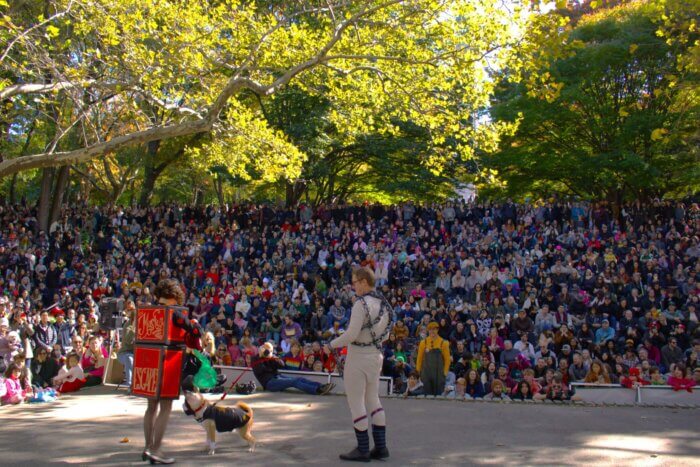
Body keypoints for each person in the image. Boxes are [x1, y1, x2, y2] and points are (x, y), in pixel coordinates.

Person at [329, 267, 392, 462]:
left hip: (358, 358)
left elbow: (351, 334)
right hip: (375, 356)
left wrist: (330, 344)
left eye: (355, 282)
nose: (353, 285)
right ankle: (381, 448)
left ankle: (363, 449)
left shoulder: (360, 304)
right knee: (373, 399)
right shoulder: (384, 305)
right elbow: (387, 334)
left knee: (356, 403)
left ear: (364, 282)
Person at [141, 279, 184, 465]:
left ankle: (147, 447)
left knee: (151, 407)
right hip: (166, 360)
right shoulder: (174, 313)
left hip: (147, 358)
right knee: (166, 406)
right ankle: (155, 449)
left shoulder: (148, 311)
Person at [251, 342, 334, 395]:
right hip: (269, 383)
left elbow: (280, 367)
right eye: (267, 350)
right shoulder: (255, 359)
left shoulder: (270, 358)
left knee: (299, 378)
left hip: (277, 377)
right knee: (294, 381)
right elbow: (260, 370)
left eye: (270, 351)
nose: (269, 353)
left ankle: (321, 386)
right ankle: (317, 390)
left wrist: (275, 359)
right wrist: (264, 358)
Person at [415, 321, 451, 396]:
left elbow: (447, 360)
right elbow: (419, 359)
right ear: (428, 330)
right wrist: (418, 372)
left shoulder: (444, 343)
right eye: (430, 329)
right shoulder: (423, 342)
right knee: (426, 395)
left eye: (434, 329)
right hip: (426, 373)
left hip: (439, 374)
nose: (432, 331)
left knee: (438, 395)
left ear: (437, 330)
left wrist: (444, 373)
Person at [116, 302, 135, 390]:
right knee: (129, 358)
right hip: (124, 353)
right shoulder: (128, 325)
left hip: (137, 353)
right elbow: (128, 341)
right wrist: (134, 328)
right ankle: (130, 385)